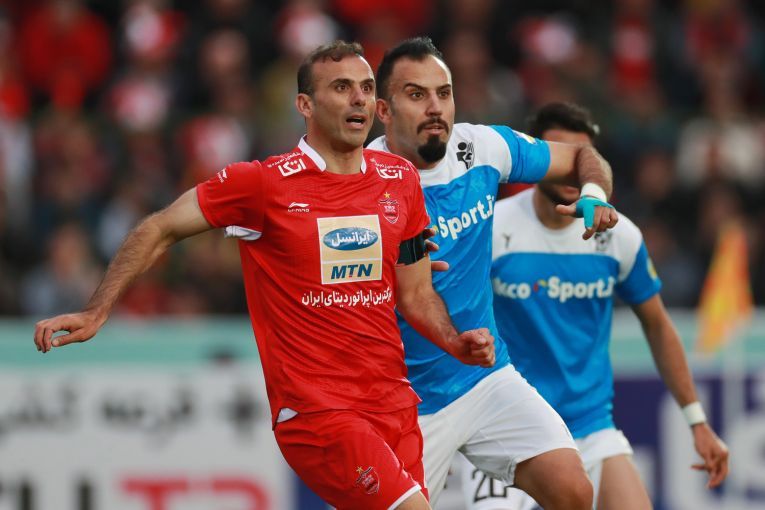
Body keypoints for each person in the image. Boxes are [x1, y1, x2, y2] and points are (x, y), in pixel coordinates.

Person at [32, 41, 498, 510]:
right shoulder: (263, 184)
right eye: (341, 87)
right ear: (305, 105)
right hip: (319, 413)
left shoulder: (400, 179)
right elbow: (160, 227)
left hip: (395, 404)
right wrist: (97, 311)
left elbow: (415, 294)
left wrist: (453, 341)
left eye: (366, 87)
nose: (359, 98)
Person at [368, 37, 619, 509]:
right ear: (384, 109)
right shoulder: (361, 183)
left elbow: (581, 157)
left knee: (573, 490)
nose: (435, 107)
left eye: (443, 93)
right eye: (416, 95)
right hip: (405, 401)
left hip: (485, 378)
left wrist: (594, 193)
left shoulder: (482, 147)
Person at [459, 102, 730, 510]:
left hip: (589, 427)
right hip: (508, 428)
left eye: (583, 162)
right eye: (564, 160)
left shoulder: (619, 236)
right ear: (538, 164)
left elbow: (658, 326)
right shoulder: (491, 228)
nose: (576, 174)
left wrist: (697, 421)